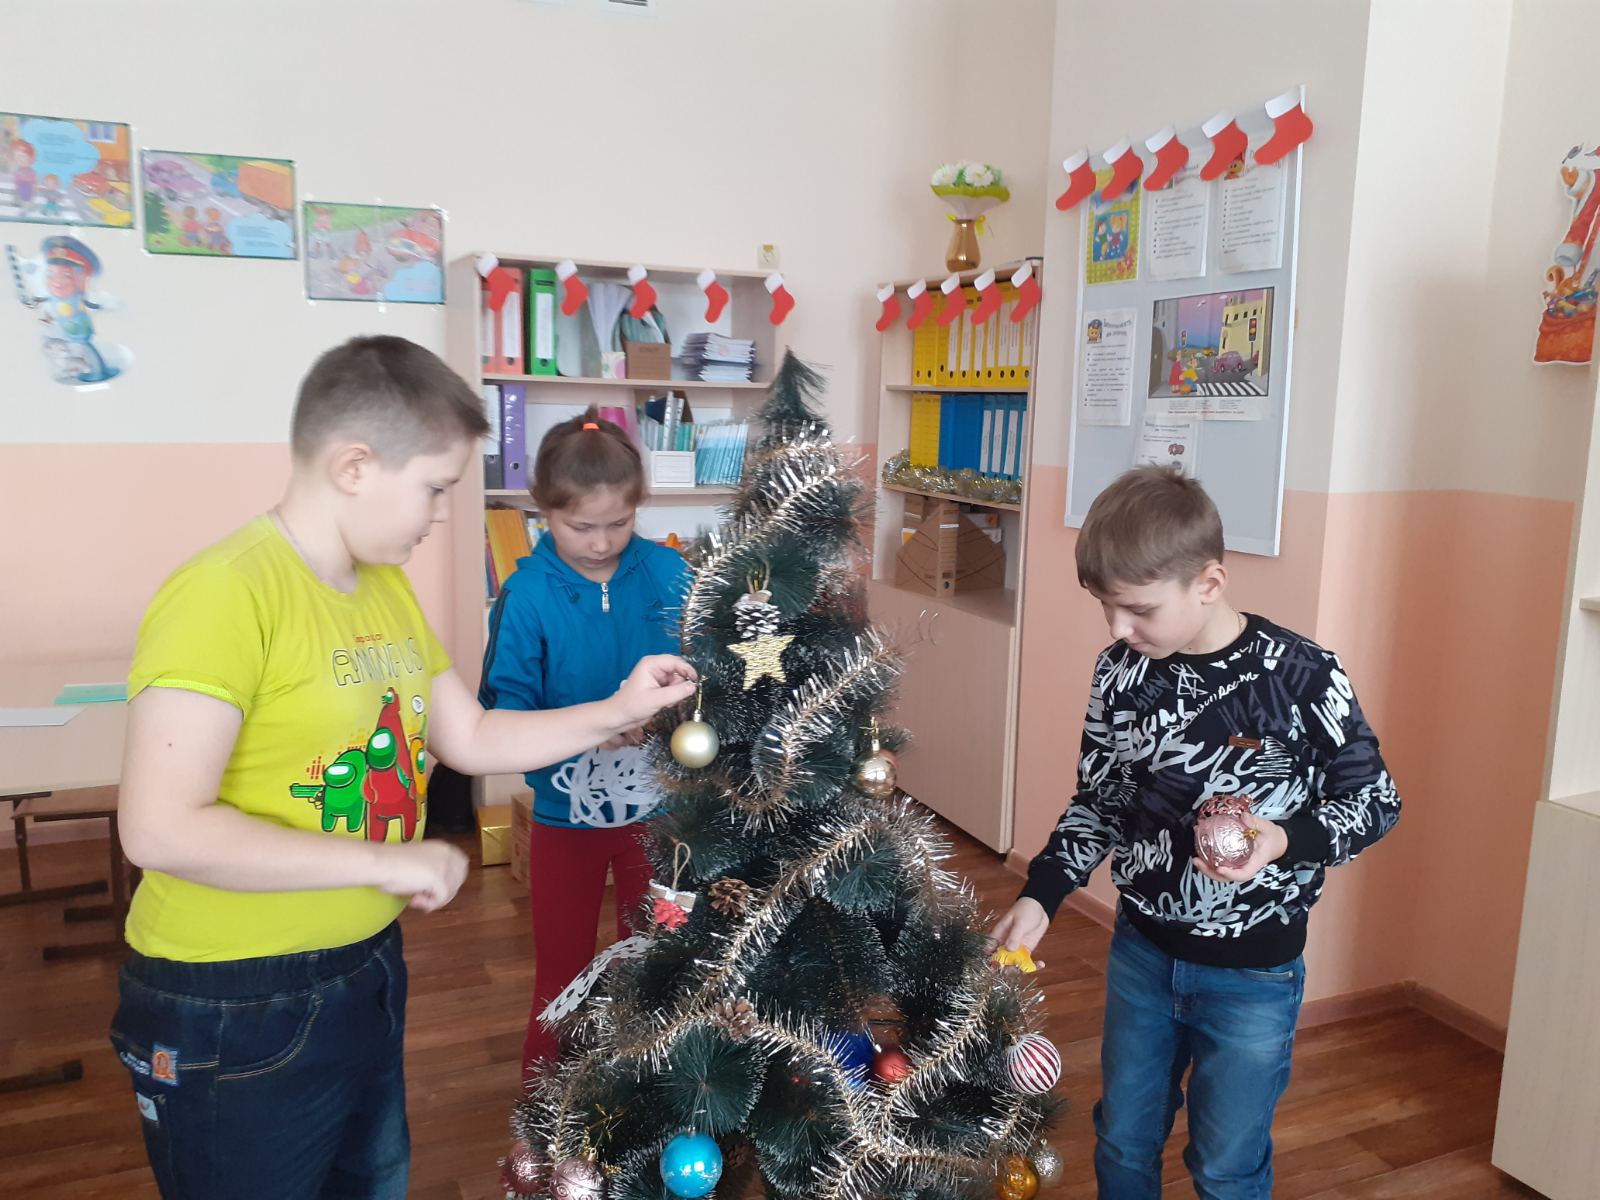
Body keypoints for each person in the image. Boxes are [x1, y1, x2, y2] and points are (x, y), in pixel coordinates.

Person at [109, 337, 696, 1200]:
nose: (439, 516)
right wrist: (383, 861)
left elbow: (473, 736)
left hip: (366, 967)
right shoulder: (224, 592)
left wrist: (618, 708)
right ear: (355, 466)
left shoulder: (382, 587)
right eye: (434, 488)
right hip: (235, 999)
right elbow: (159, 828)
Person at [990, 466, 1400, 1199]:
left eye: (1138, 609)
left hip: (1254, 977)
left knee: (1225, 1166)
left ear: (1209, 583)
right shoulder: (1119, 674)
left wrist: (1282, 840)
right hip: (1142, 955)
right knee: (1123, 1141)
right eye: (1105, 606)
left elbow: (1375, 801)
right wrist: (1041, 894)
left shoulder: (1304, 676)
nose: (1117, 629)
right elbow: (1101, 801)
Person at [479, 410, 690, 1081]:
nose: (600, 543)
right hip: (563, 820)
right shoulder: (526, 595)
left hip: (660, 816)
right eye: (579, 527)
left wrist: (673, 707)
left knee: (655, 960)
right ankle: (544, 1106)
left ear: (638, 507)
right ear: (543, 510)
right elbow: (504, 715)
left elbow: (707, 670)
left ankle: (647, 1093)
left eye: (618, 524)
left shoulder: (669, 572)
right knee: (562, 972)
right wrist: (597, 721)